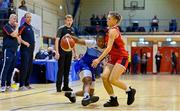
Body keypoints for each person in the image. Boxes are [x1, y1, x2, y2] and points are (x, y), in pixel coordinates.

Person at [91, 11, 136, 107]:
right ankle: (113, 99)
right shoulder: (108, 30)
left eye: (109, 18)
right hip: (112, 58)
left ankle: (129, 90)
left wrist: (98, 60)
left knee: (112, 79)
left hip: (122, 57)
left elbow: (109, 48)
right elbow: (107, 47)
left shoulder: (113, 31)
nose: (107, 20)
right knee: (104, 77)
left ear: (115, 21)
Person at [64, 31, 105, 106]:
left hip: (91, 69)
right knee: (87, 80)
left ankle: (72, 95)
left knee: (90, 92)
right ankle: (86, 97)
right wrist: (69, 36)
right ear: (96, 40)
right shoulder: (92, 43)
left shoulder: (106, 49)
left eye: (103, 41)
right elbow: (78, 40)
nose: (101, 43)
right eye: (99, 41)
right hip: (82, 64)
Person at [55, 15, 76, 92]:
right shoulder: (61, 29)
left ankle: (66, 86)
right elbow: (57, 40)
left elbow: (73, 42)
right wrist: (57, 52)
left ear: (72, 21)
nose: (69, 22)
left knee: (67, 69)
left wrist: (75, 52)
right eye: (68, 20)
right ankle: (58, 87)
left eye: (70, 20)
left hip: (69, 52)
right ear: (65, 21)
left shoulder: (72, 30)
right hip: (61, 51)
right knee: (61, 69)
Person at [0, 14, 21, 92]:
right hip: (8, 50)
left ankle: (8, 85)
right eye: (14, 18)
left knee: (11, 69)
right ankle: (2, 85)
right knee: (5, 68)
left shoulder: (14, 28)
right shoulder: (6, 26)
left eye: (16, 18)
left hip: (14, 51)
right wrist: (17, 27)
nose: (15, 20)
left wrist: (17, 34)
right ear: (10, 18)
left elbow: (18, 40)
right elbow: (14, 35)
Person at [18, 12, 35, 90]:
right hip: (25, 50)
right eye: (28, 17)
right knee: (24, 67)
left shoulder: (30, 27)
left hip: (31, 51)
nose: (29, 18)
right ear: (24, 18)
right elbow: (18, 37)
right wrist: (25, 43)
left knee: (29, 68)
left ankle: (27, 83)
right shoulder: (22, 26)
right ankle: (21, 85)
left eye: (30, 17)